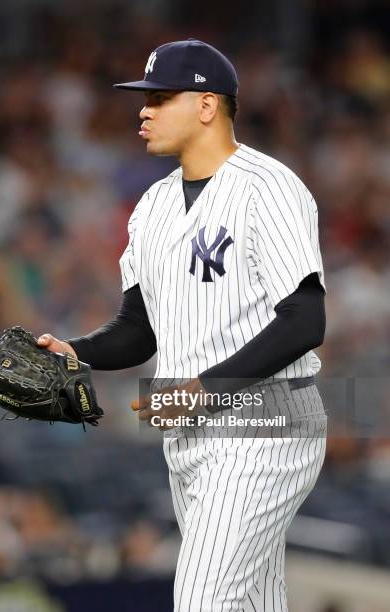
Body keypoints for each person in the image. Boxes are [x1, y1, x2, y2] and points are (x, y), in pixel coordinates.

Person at [38, 39, 327, 612]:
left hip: (267, 420)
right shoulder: (151, 207)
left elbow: (305, 320)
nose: (143, 111)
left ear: (207, 105)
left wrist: (204, 390)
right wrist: (73, 351)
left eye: (161, 97)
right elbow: (137, 330)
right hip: (189, 428)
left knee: (202, 600)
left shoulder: (267, 186)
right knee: (250, 604)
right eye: (144, 99)